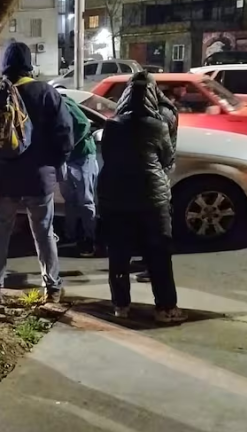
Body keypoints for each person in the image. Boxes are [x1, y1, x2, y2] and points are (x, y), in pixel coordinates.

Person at [0, 42, 74, 304]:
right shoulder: (46, 93)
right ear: (29, 64)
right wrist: (53, 165)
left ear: (4, 65)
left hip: (1, 179)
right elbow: (65, 137)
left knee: (0, 231)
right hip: (38, 179)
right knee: (44, 232)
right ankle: (52, 287)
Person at [98, 71, 186, 323]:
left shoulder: (112, 125)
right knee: (159, 253)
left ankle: (121, 305)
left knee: (118, 254)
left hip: (115, 197)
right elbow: (167, 159)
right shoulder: (157, 125)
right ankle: (165, 308)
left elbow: (107, 156)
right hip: (152, 197)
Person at [135, 84, 179, 283]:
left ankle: (152, 268)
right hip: (158, 173)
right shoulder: (164, 111)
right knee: (154, 225)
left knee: (156, 227)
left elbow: (162, 149)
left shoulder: (160, 116)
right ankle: (149, 263)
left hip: (155, 175)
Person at [60, 95, 98, 257]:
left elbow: (83, 124)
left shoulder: (64, 104)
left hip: (81, 156)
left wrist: (68, 146)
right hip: (66, 158)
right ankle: (70, 235)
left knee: (85, 200)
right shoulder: (45, 107)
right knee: (69, 199)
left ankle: (90, 238)